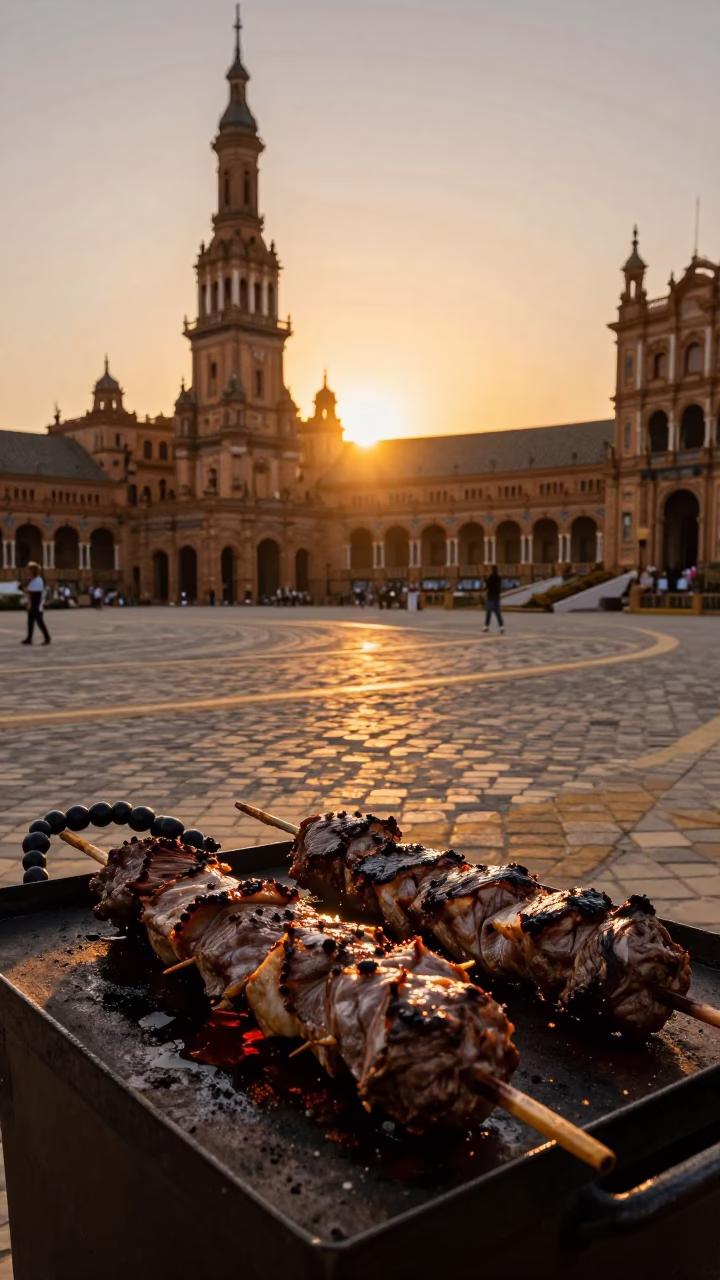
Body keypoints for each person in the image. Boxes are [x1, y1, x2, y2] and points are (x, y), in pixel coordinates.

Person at [21, 562, 50, 645]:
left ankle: (47, 638)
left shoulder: (38, 580)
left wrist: (29, 601)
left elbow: (35, 594)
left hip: (36, 604)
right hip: (33, 603)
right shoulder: (34, 580)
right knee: (30, 621)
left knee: (39, 622)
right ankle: (29, 638)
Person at [482, 565, 504, 634]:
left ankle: (486, 626)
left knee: (489, 612)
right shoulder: (499, 578)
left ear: (492, 570)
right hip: (496, 597)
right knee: (497, 612)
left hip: (491, 596)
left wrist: (485, 579)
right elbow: (499, 587)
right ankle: (501, 626)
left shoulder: (490, 578)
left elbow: (486, 586)